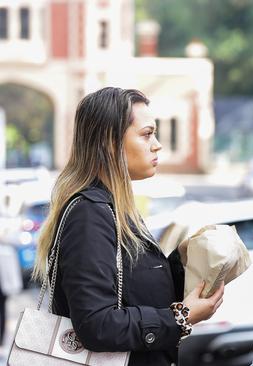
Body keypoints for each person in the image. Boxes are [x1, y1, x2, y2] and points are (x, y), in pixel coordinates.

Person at [32, 87, 224, 366]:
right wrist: (178, 318)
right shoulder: (90, 212)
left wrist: (181, 261)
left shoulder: (115, 207)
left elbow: (133, 292)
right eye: (146, 134)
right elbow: (96, 324)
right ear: (111, 142)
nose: (157, 144)